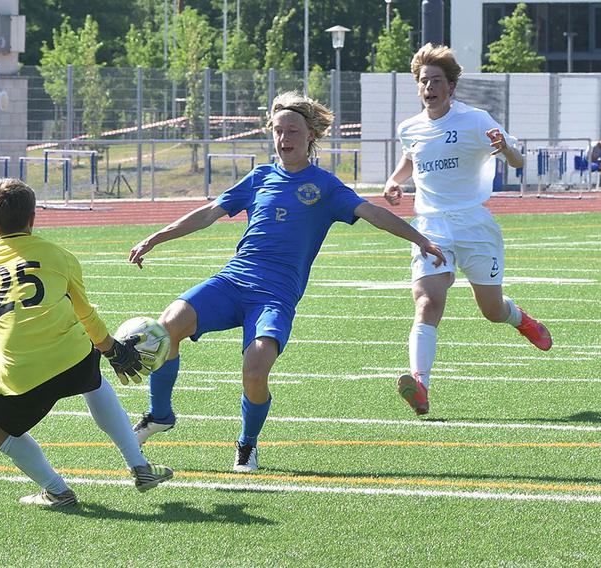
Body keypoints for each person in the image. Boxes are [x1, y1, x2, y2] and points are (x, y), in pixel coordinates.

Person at [127, 91, 447, 472]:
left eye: (292, 130)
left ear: (310, 134)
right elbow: (208, 213)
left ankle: (247, 443)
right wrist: (155, 237)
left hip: (275, 296)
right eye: (278, 131)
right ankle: (160, 414)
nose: (284, 138)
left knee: (255, 369)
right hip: (233, 281)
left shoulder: (325, 186)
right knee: (168, 325)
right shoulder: (260, 176)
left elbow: (374, 213)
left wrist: (420, 238)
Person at [0, 178, 173, 509]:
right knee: (92, 375)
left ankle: (56, 490)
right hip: (73, 358)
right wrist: (112, 350)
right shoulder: (60, 256)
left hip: (20, 373)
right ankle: (139, 465)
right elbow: (86, 314)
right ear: (33, 217)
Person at [382, 43, 552, 417]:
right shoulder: (409, 128)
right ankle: (420, 384)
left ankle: (521, 320)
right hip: (430, 226)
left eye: (436, 80)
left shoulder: (476, 120)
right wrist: (395, 181)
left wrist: (504, 149)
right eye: (423, 81)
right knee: (427, 302)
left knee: (491, 310)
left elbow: (519, 159)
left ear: (452, 85)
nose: (429, 87)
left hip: (474, 225)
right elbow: (411, 157)